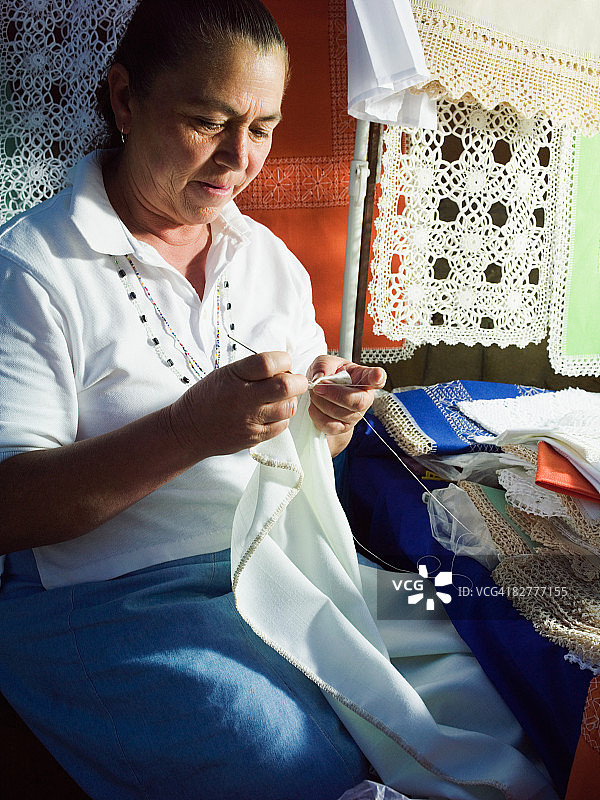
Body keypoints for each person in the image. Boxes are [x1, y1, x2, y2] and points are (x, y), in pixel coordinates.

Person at [0, 1, 386, 798]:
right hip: (108, 604)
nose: (238, 159)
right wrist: (185, 431)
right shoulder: (32, 270)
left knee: (458, 689)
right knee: (291, 763)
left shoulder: (266, 259)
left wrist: (327, 421)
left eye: (263, 128)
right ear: (123, 98)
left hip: (273, 569)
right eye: (207, 121)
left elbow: (306, 444)